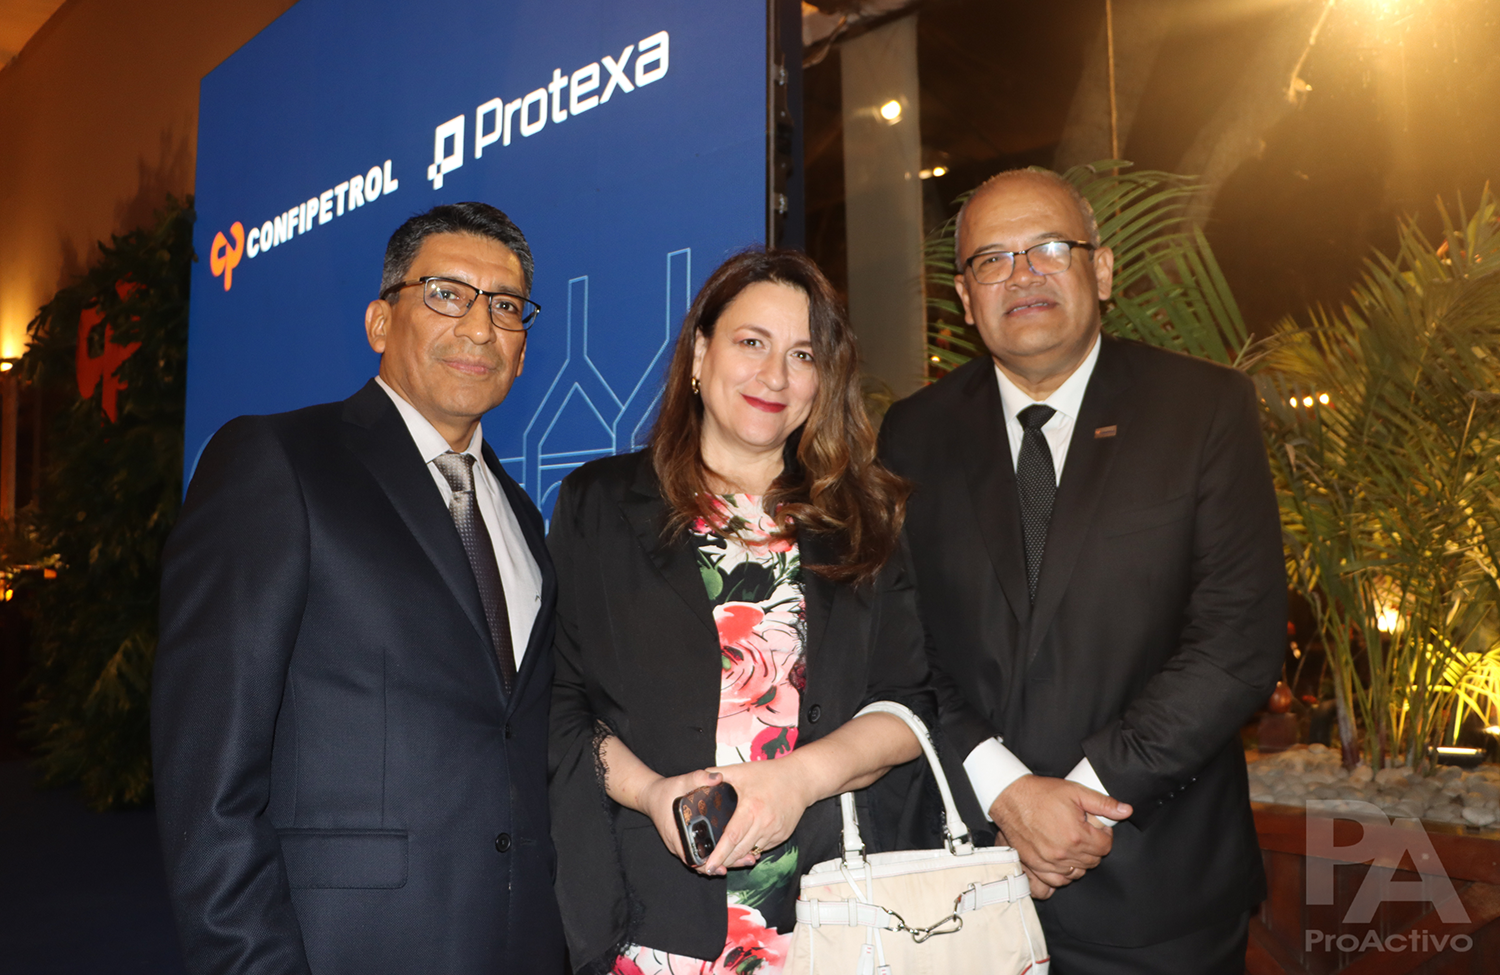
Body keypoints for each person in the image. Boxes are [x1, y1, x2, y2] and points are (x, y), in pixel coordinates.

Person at [879, 168, 1286, 973]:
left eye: (1049, 249)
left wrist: (1085, 799)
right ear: (965, 299)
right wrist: (1006, 793)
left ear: (1100, 270)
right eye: (992, 260)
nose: (1022, 275)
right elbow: (898, 640)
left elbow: (1235, 643)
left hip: (1156, 887)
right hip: (962, 884)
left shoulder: (1202, 409)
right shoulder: (912, 435)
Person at [153, 203, 565, 974]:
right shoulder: (278, 461)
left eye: (507, 307)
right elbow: (207, 779)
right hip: (344, 946)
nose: (481, 328)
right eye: (447, 294)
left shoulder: (522, 516)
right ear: (381, 321)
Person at [548, 248, 933, 975]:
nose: (775, 376)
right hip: (650, 918)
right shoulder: (598, 504)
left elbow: (910, 706)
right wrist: (653, 794)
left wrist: (798, 780)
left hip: (841, 919)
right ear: (700, 353)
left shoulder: (866, 517)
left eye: (803, 355)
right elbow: (561, 700)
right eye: (751, 342)